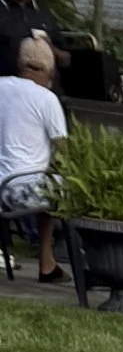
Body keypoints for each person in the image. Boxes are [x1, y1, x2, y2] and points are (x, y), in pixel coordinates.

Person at [0, 27, 65, 281]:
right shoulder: (47, 99)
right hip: (23, 191)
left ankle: (47, 262)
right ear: (49, 70)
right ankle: (49, 262)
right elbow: (63, 153)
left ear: (20, 63)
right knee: (63, 185)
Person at [0, 0, 59, 76]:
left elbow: (66, 58)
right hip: (8, 81)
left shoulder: (42, 13)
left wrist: (49, 48)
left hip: (45, 84)